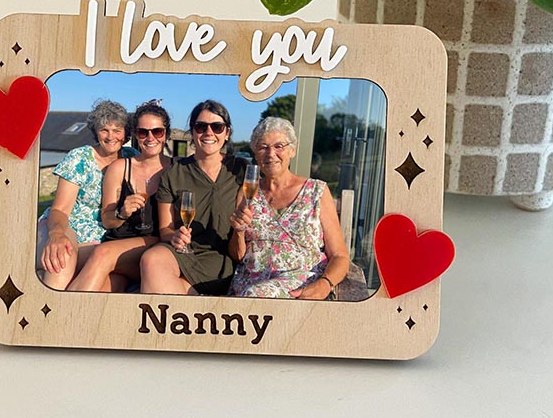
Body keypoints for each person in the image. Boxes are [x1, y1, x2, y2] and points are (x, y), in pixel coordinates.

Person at [228, 117, 350, 299]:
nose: (271, 154)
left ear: (292, 150)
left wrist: (325, 284)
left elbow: (340, 256)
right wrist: (238, 232)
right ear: (255, 154)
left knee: (257, 295)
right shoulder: (247, 192)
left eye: (279, 146)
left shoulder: (316, 191)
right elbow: (238, 256)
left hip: (299, 285)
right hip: (249, 284)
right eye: (263, 147)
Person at [139, 100, 244, 296]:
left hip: (220, 256)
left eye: (217, 127)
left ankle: (188, 303)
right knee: (151, 259)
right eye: (201, 126)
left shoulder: (240, 170)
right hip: (181, 251)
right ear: (193, 132)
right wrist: (175, 236)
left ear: (227, 133)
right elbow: (165, 229)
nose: (208, 133)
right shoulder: (173, 173)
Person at [66, 101, 172, 293]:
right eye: (143, 132)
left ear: (166, 134)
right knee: (106, 286)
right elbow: (107, 220)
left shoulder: (176, 169)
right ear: (135, 135)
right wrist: (122, 213)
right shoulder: (120, 167)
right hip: (121, 247)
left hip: (155, 244)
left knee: (102, 253)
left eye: (157, 131)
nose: (150, 138)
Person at [37, 99, 134, 290]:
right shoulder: (79, 157)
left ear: (125, 134)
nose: (110, 136)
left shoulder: (131, 157)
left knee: (112, 279)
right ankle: (50, 304)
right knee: (61, 256)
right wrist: (56, 235)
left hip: (105, 235)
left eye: (117, 130)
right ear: (95, 131)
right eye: (104, 129)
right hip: (68, 225)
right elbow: (60, 209)